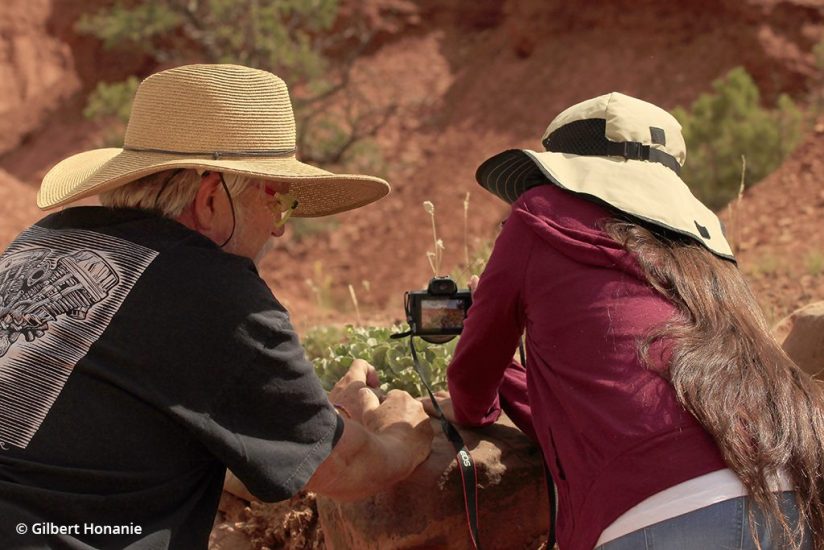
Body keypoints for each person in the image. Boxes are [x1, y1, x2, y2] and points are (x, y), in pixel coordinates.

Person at [0, 64, 432, 549]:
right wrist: (402, 429)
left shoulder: (40, 243)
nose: (279, 229)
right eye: (279, 201)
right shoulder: (216, 293)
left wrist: (319, 418)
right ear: (210, 198)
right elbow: (347, 469)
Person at [438, 92, 824, 550]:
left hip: (655, 509)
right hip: (790, 485)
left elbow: (471, 383)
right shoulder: (704, 248)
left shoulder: (538, 216)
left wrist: (480, 401)